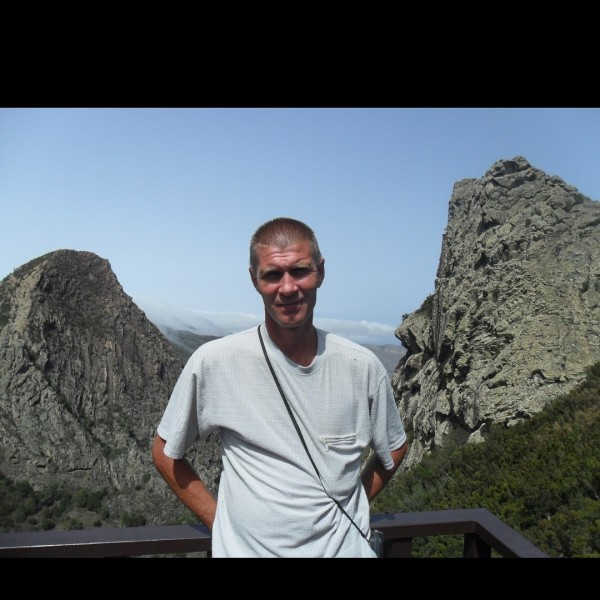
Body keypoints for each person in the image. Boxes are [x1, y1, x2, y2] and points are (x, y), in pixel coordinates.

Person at [151, 216, 408, 557]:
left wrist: (354, 502)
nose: (287, 288)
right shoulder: (215, 362)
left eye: (300, 271)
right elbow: (165, 452)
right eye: (272, 275)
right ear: (254, 280)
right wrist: (221, 523)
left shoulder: (361, 367)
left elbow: (394, 447)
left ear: (320, 272)